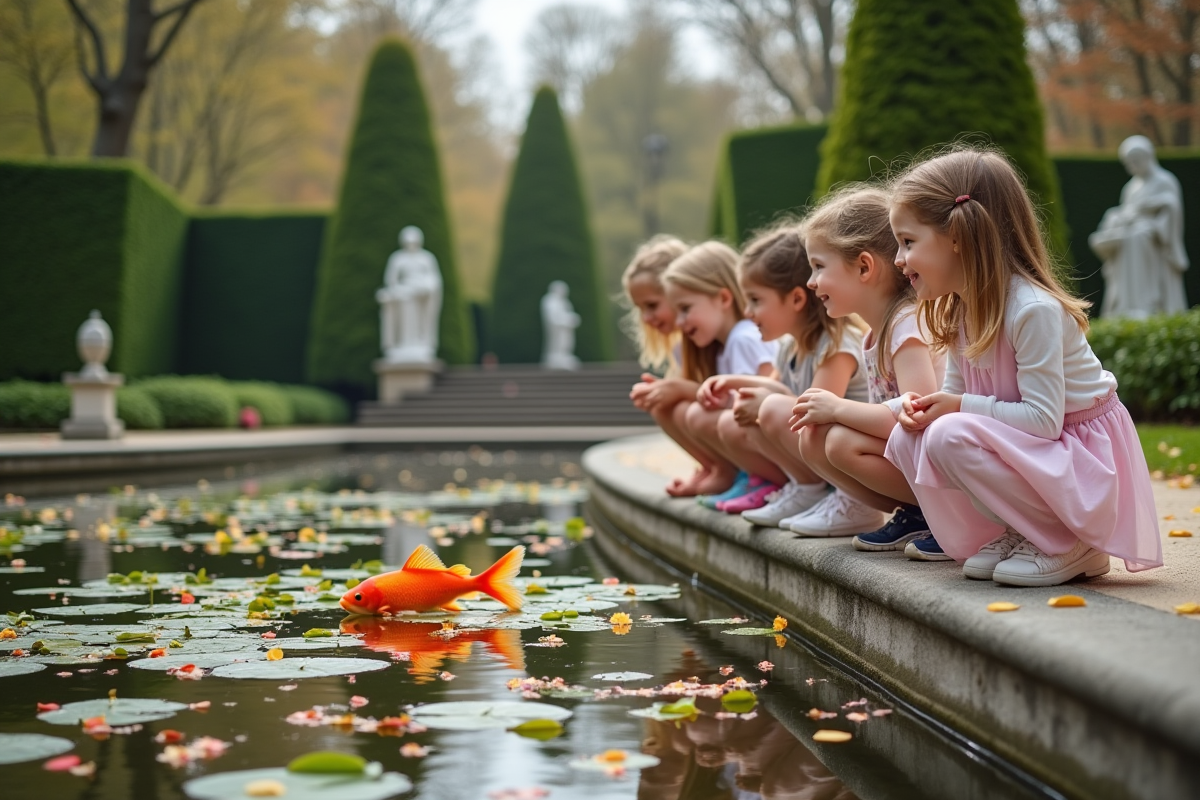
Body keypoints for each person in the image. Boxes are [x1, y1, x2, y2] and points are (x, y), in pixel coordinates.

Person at [885, 146, 1162, 586]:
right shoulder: (962, 310)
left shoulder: (1031, 309)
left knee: (949, 434)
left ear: (957, 237)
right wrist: (921, 409)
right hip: (1042, 455)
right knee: (913, 436)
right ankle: (1019, 530)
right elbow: (958, 395)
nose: (899, 259)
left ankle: (1070, 540)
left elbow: (1044, 421)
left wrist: (957, 407)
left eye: (908, 242)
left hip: (1080, 460)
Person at [788, 187, 945, 551]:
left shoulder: (906, 325)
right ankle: (916, 513)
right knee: (813, 437)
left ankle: (941, 515)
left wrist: (839, 408)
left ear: (863, 266)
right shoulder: (875, 333)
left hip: (943, 465)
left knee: (840, 440)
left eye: (818, 267)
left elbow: (919, 416)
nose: (811, 282)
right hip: (920, 460)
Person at [694, 222, 869, 524]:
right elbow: (774, 388)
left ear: (797, 300)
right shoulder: (791, 345)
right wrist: (733, 383)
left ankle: (819, 491)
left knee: (769, 408)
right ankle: (802, 487)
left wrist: (762, 398)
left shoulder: (836, 346)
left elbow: (815, 411)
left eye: (756, 300)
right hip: (822, 448)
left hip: (846, 454)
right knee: (751, 408)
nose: (747, 312)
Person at [661, 241, 777, 498]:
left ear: (723, 298)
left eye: (685, 309)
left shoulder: (742, 338)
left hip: (776, 439)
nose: (679, 323)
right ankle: (748, 476)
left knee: (697, 416)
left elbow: (763, 399)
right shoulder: (729, 344)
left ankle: (763, 480)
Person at [1089, 135, 1189, 319]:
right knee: (1120, 236)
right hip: (1130, 232)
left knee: (1139, 235)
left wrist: (1153, 208)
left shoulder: (1165, 180)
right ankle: (1127, 303)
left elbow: (1173, 209)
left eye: (1135, 161)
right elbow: (1127, 211)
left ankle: (1149, 300)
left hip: (1153, 236)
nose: (1131, 166)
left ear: (1147, 157)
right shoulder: (1131, 188)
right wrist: (1120, 217)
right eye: (1128, 163)